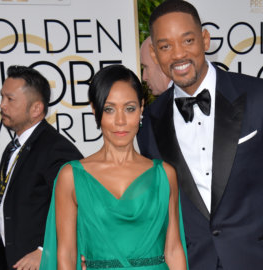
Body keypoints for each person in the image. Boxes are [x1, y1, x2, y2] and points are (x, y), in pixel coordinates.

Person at [137, 1, 263, 269]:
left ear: (205, 39)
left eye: (187, 40)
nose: (178, 55)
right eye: (165, 46)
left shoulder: (261, 97)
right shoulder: (149, 124)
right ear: (154, 53)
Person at [39, 64, 187, 270]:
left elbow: (173, 249)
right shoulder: (71, 176)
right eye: (109, 109)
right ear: (95, 110)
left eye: (129, 108)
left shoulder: (165, 174)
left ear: (141, 108)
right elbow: (66, 254)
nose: (120, 121)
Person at [0, 65, 83, 270]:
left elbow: (80, 204)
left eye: (10, 99)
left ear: (36, 109)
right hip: (11, 261)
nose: (1, 105)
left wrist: (46, 250)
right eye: (2, 97)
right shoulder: (13, 147)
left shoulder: (56, 149)